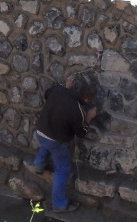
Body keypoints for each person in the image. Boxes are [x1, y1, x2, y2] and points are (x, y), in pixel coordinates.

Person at [33, 76, 97, 213]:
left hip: (40, 131)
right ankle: (59, 204)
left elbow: (47, 95)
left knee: (47, 142)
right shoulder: (78, 112)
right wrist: (89, 118)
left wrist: (66, 89)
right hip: (55, 141)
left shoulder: (58, 89)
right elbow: (81, 133)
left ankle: (38, 165)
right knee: (62, 170)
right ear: (86, 100)